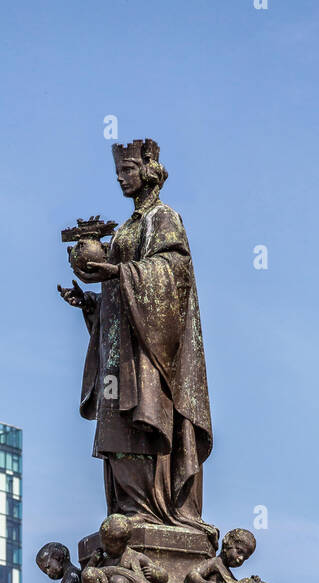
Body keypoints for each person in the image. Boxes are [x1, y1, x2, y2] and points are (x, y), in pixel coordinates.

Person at [58, 138, 214, 542]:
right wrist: (91, 304)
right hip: (120, 351)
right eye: (118, 173)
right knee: (116, 427)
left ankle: (154, 509)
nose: (121, 179)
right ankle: (128, 511)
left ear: (148, 170)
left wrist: (117, 274)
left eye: (127, 171)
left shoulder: (164, 218)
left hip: (149, 353)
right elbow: (120, 288)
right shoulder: (126, 227)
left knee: (145, 419)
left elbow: (173, 271)